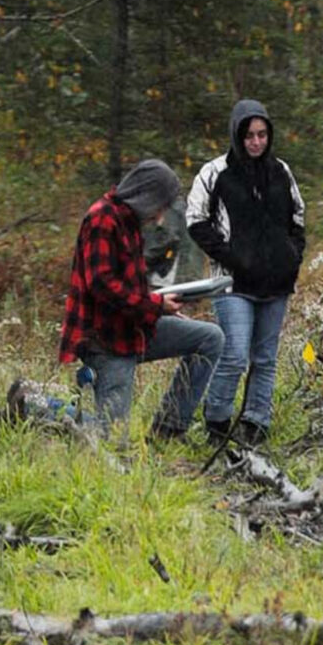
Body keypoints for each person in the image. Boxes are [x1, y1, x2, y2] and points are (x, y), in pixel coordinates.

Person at [58, 159, 225, 440]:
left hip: (133, 329)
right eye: (160, 205)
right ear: (146, 196)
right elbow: (103, 286)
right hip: (106, 341)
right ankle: (40, 407)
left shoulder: (129, 222)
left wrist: (160, 310)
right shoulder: (102, 219)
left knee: (210, 338)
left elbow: (128, 285)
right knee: (113, 438)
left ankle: (169, 429)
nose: (160, 216)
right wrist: (155, 306)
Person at [186, 99, 306, 447]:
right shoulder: (215, 172)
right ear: (237, 135)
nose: (256, 142)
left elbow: (298, 216)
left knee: (265, 357)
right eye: (250, 136)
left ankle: (256, 422)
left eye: (262, 135)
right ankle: (217, 421)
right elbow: (195, 220)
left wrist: (292, 256)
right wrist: (232, 257)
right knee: (235, 353)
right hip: (233, 283)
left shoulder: (281, 171)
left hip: (277, 282)